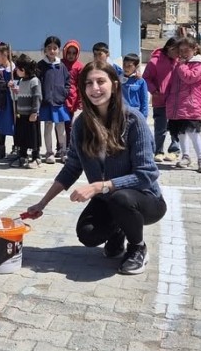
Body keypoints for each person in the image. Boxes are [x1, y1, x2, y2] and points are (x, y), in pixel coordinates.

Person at [26, 59, 168, 275]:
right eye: (88, 83)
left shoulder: (133, 121)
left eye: (101, 81)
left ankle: (137, 247)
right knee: (88, 233)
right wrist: (42, 203)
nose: (95, 88)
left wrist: (97, 187)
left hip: (145, 200)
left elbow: (146, 175)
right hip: (108, 198)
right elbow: (71, 167)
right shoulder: (82, 124)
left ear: (114, 84)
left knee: (121, 199)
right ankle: (118, 230)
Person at [165, 38, 201, 173]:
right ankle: (186, 156)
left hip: (191, 104)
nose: (183, 53)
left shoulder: (198, 64)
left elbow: (189, 77)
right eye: (181, 50)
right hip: (177, 104)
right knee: (180, 132)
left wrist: (181, 66)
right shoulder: (180, 63)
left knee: (193, 132)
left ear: (194, 49)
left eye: (186, 50)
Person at [143, 38, 181, 162]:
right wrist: (154, 90)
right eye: (177, 51)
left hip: (176, 100)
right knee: (160, 128)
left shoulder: (180, 61)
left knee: (176, 127)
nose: (179, 54)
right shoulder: (155, 62)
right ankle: (158, 151)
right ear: (170, 49)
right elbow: (146, 78)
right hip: (160, 100)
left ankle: (174, 150)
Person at [36, 35, 72, 164]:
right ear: (45, 50)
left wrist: (64, 93)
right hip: (46, 103)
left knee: (61, 128)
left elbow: (68, 82)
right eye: (49, 48)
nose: (52, 50)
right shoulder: (40, 65)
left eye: (55, 48)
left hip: (59, 102)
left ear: (59, 50)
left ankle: (63, 151)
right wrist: (41, 97)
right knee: (47, 127)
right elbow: (37, 83)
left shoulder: (61, 66)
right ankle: (49, 152)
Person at [9, 53, 42, 169]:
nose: (16, 70)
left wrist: (34, 112)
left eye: (17, 68)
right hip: (21, 114)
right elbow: (17, 96)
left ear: (23, 69)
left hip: (31, 115)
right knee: (22, 136)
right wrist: (13, 90)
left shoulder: (34, 81)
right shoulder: (22, 81)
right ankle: (22, 156)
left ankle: (36, 157)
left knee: (33, 137)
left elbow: (37, 97)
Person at [60, 39, 84, 149]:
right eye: (69, 52)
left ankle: (69, 146)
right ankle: (59, 147)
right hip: (59, 98)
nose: (71, 55)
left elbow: (81, 85)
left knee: (69, 125)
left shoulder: (79, 66)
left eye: (74, 53)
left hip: (72, 99)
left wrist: (80, 101)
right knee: (59, 124)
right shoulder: (59, 63)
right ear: (65, 52)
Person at [120, 53, 149, 120]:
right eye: (124, 65)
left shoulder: (140, 81)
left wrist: (144, 117)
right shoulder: (119, 79)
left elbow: (144, 100)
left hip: (135, 113)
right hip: (121, 113)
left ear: (136, 67)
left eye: (129, 66)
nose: (126, 67)